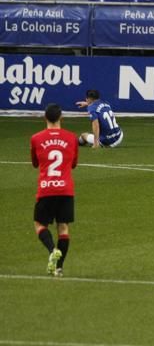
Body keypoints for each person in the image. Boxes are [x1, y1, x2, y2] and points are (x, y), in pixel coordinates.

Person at [30, 103, 79, 277]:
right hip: (66, 190)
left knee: (39, 224)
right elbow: (73, 164)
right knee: (63, 228)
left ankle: (52, 250)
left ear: (45, 118)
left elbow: (35, 163)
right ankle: (59, 268)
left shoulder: (36, 138)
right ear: (61, 118)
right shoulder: (71, 137)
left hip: (46, 189)